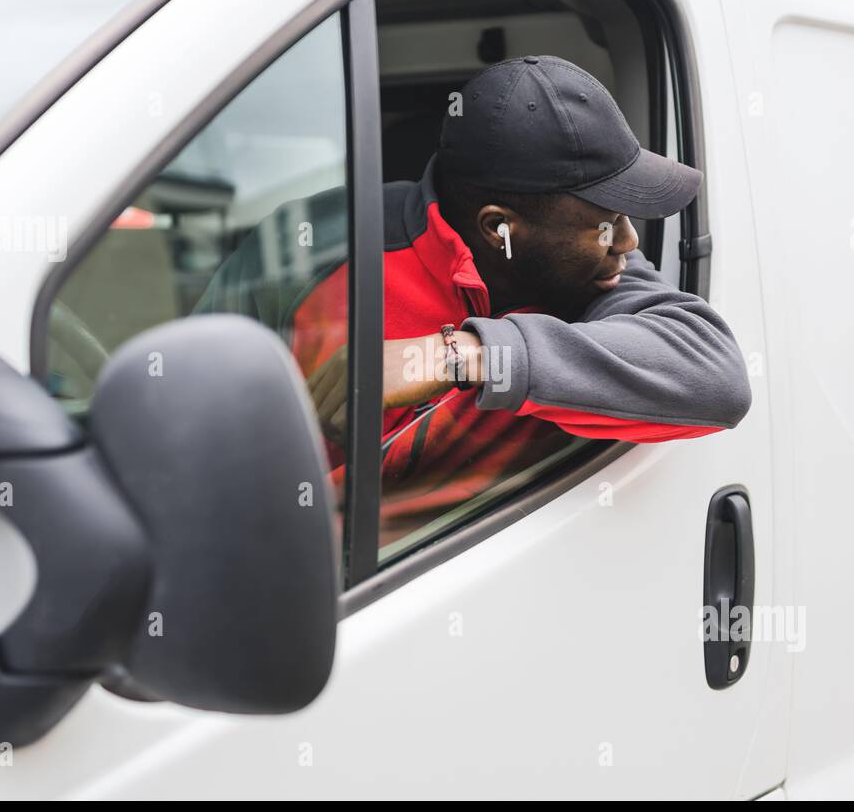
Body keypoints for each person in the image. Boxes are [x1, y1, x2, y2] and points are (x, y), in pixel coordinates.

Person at [202, 55, 752, 546]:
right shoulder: (308, 254)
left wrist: (456, 356)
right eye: (606, 224)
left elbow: (717, 377)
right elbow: (195, 433)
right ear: (501, 229)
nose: (630, 243)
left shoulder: (598, 274)